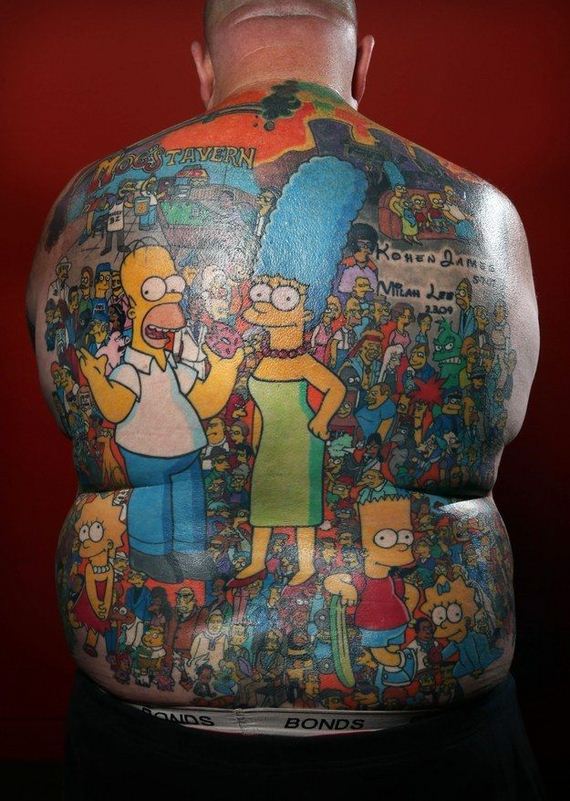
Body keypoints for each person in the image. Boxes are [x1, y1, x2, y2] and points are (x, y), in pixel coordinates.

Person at [26, 1, 543, 799]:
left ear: (203, 65)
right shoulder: (486, 215)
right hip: (433, 750)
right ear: (363, 63)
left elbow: (72, 403)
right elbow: (504, 419)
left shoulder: (77, 207)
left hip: (151, 748)